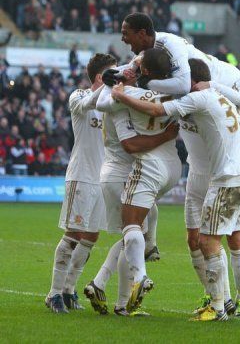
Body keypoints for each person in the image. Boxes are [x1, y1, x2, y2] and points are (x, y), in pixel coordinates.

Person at [112, 58, 240, 321]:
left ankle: (222, 305)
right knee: (200, 240)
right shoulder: (218, 95)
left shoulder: (199, 99)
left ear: (193, 81)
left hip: (226, 177)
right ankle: (216, 299)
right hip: (223, 176)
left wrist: (121, 94)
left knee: (211, 241)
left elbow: (155, 111)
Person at [118, 12, 240, 186]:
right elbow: (132, 70)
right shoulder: (146, 53)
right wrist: (115, 73)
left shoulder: (170, 44)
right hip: (196, 93)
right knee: (203, 148)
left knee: (229, 146)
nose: (122, 38)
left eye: (125, 33)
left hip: (226, 83)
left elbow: (182, 85)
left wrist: (147, 84)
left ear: (142, 34)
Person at [84, 66, 180, 316]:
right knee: (133, 233)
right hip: (120, 174)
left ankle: (109, 291)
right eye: (129, 72)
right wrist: (166, 136)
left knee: (130, 237)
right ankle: (114, 288)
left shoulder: (118, 98)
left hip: (116, 173)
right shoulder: (119, 104)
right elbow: (130, 144)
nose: (133, 73)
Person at [45, 53, 116, 314]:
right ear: (100, 77)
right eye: (112, 73)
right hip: (82, 175)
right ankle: (53, 293)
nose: (117, 77)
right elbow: (86, 104)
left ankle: (68, 289)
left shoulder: (112, 102)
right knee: (73, 234)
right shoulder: (78, 95)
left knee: (91, 236)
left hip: (103, 178)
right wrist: (109, 87)